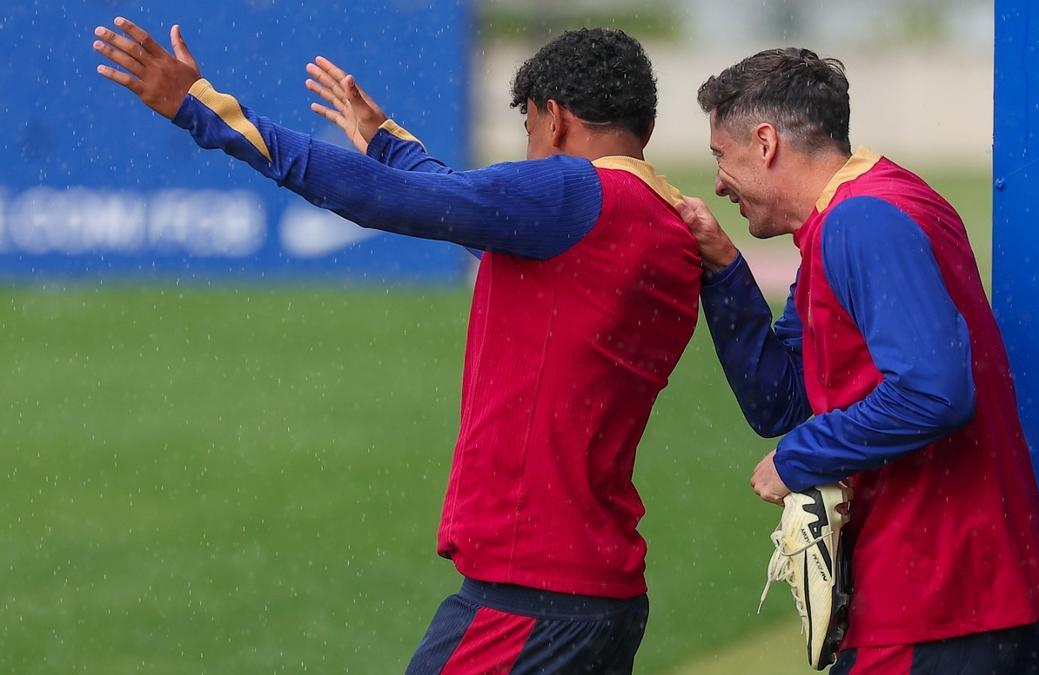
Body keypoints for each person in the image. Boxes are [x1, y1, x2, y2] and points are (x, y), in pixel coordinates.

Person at [92, 19, 699, 673]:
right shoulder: (664, 226)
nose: (530, 155)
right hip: (605, 597)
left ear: (554, 120)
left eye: (528, 132)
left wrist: (206, 111)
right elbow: (457, 208)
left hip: (530, 600)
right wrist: (389, 143)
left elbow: (395, 201)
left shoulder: (568, 190)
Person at [675, 48, 1039, 673]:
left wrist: (799, 460)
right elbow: (781, 399)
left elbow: (933, 391)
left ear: (765, 142)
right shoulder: (856, 213)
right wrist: (723, 272)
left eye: (722, 156)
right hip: (948, 605)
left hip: (941, 606)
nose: (719, 182)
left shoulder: (863, 222)